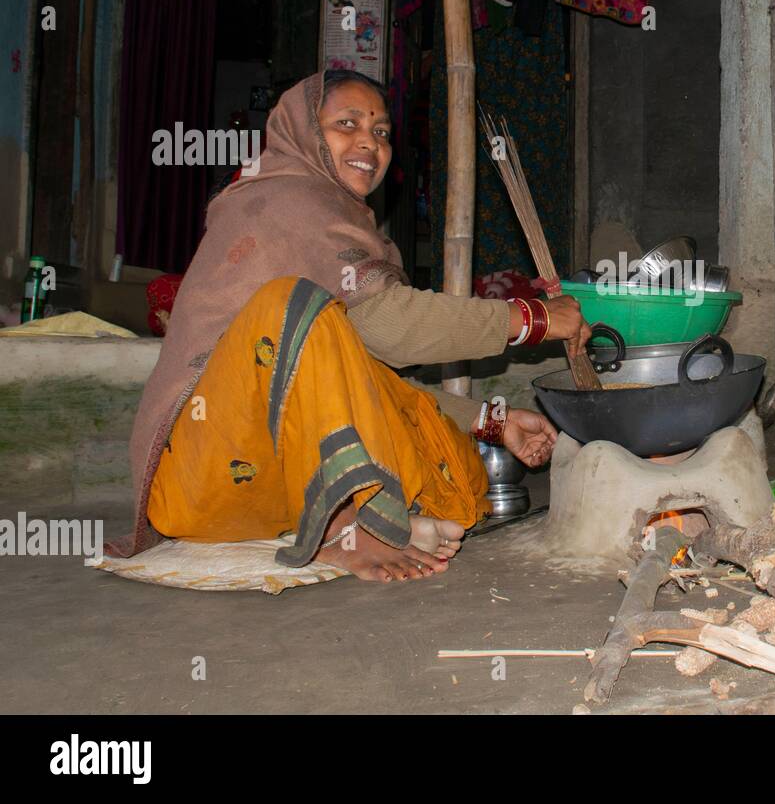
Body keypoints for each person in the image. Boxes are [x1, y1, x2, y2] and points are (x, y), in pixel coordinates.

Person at [115, 70, 592, 583]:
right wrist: (534, 318)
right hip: (201, 477)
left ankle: (380, 518)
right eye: (347, 123)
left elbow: (365, 374)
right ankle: (341, 527)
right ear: (302, 131)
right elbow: (391, 325)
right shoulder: (280, 202)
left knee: (459, 479)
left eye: (382, 131)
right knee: (291, 303)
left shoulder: (345, 223)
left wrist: (491, 421)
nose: (369, 141)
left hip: (264, 497)